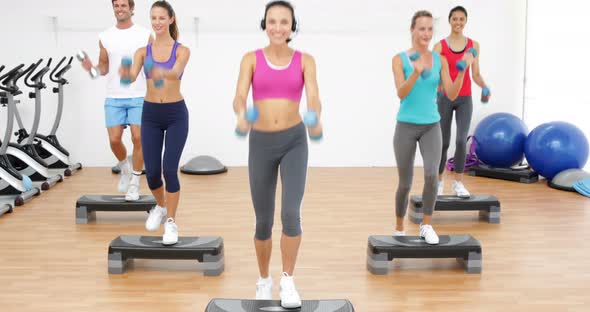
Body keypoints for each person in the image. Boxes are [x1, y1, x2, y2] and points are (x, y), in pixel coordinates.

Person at [232, 1, 322, 308]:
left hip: (294, 141)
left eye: (284, 22)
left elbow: (314, 97)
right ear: (265, 24)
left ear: (292, 26)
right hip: (260, 142)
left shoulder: (306, 60)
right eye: (272, 21)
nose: (278, 27)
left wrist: (315, 116)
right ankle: (263, 280)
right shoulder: (251, 59)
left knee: (290, 214)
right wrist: (241, 114)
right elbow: (240, 95)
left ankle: (287, 280)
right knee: (263, 221)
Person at [391, 10, 473, 244]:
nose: (426, 33)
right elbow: (401, 93)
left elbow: (452, 93)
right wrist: (416, 72)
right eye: (421, 28)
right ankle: (399, 227)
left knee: (430, 174)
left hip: (431, 126)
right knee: (405, 183)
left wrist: (463, 69)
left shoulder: (440, 60)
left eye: (429, 29)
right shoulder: (399, 59)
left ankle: (426, 225)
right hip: (406, 126)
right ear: (412, 30)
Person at [120, 0, 190, 245]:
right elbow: (128, 79)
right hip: (150, 114)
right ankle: (160, 207)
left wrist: (162, 71)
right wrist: (124, 70)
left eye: (162, 18)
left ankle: (170, 222)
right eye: (154, 18)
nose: (157, 22)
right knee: (152, 176)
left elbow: (177, 70)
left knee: (170, 169)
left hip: (175, 115)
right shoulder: (142, 52)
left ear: (171, 19)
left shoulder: (182, 50)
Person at [80, 0, 151, 201]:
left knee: (138, 138)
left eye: (123, 5)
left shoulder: (145, 35)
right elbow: (103, 67)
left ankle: (135, 184)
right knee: (114, 140)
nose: (120, 9)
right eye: (116, 5)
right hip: (114, 96)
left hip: (138, 95)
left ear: (132, 8)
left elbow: (151, 65)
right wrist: (91, 68)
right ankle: (125, 168)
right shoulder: (105, 36)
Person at [434, 6, 490, 197]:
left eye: (461, 19)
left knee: (460, 141)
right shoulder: (440, 46)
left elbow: (475, 73)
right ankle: (439, 182)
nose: (458, 22)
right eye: (455, 19)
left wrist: (484, 86)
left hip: (465, 98)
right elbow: (437, 76)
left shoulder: (473, 46)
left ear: (465, 21)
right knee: (443, 141)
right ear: (449, 20)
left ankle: (458, 183)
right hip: (445, 99)